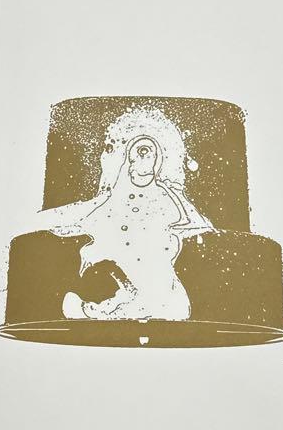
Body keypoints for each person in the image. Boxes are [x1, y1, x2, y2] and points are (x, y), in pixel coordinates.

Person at [36, 107, 213, 321]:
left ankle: (123, 307)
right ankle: (114, 306)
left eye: (147, 154)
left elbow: (189, 221)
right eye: (137, 155)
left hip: (158, 277)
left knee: (154, 283)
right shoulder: (113, 198)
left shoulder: (165, 196)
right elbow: (81, 219)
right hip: (131, 266)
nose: (141, 163)